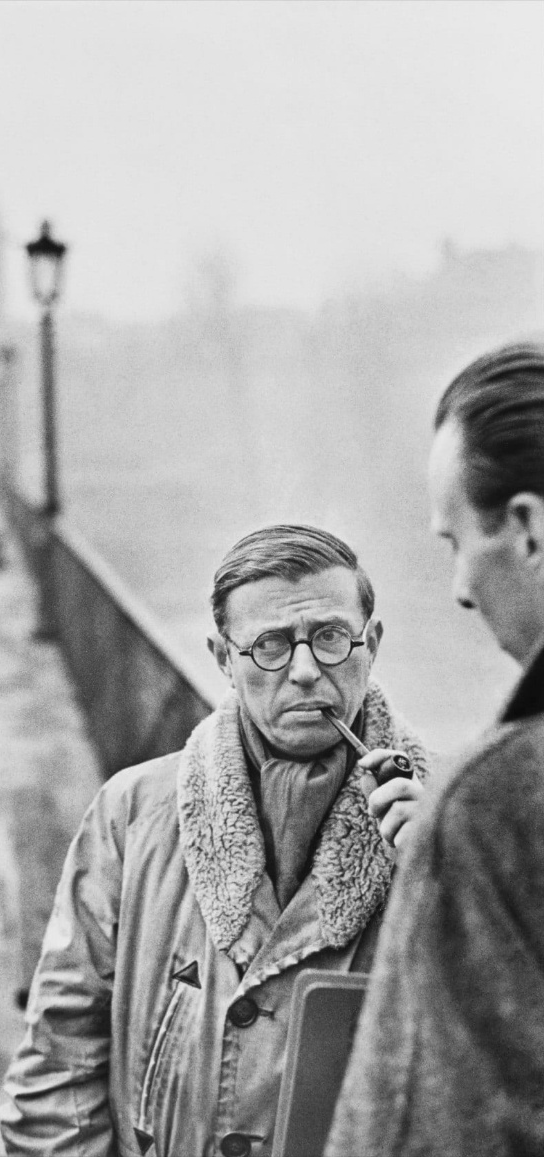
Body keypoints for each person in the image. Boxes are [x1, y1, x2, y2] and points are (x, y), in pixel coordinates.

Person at [0, 524, 429, 1156]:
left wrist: (448, 884)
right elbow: (57, 1065)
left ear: (373, 643)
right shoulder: (133, 813)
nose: (307, 671)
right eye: (270, 646)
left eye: (332, 637)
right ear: (223, 659)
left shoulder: (455, 821)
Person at [325, 341, 544, 1157]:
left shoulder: (495, 800)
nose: (457, 588)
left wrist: (462, 849)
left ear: (525, 528)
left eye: (456, 541)